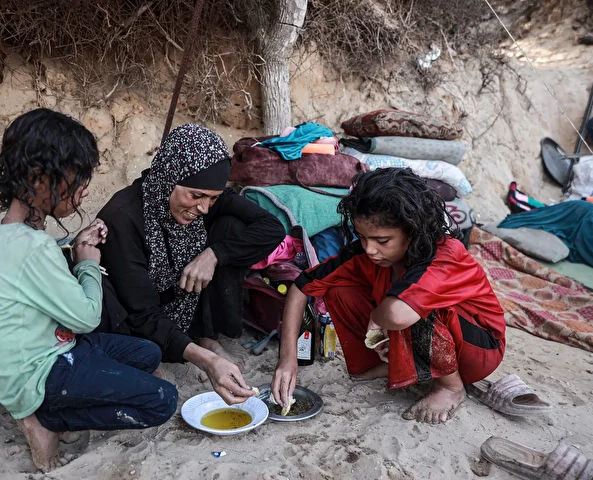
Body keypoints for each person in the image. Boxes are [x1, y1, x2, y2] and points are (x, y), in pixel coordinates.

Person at [0, 108, 178, 472]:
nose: (83, 193)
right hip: (40, 374)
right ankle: (46, 419)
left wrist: (77, 245)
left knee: (147, 353)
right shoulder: (32, 248)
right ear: (39, 180)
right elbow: (86, 318)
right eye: (78, 183)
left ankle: (64, 404)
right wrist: (87, 261)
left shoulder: (12, 234)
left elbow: (47, 283)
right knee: (162, 399)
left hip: (50, 348)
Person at [271, 168, 506, 424]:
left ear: (412, 230)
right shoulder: (364, 254)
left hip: (477, 350)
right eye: (362, 237)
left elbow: (396, 314)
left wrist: (376, 315)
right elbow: (300, 288)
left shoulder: (445, 254)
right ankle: (390, 364)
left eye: (382, 241)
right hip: (412, 328)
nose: (370, 249)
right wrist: (287, 360)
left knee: (413, 306)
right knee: (339, 289)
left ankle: (450, 387)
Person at [97, 123, 285, 405]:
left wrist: (214, 254)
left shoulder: (206, 193)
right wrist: (206, 362)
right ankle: (151, 356)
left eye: (213, 198)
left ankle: (203, 335)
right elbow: (142, 312)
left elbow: (272, 228)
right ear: (169, 178)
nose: (203, 208)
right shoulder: (123, 217)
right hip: (134, 314)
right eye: (195, 196)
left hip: (180, 300)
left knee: (232, 227)